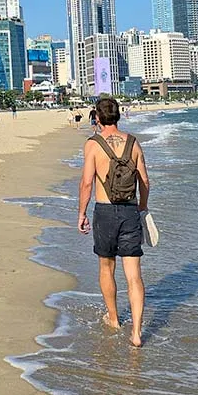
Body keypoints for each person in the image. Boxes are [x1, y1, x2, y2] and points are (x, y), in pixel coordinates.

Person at [77, 97, 151, 347]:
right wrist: (141, 208)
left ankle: (114, 318)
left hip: (105, 213)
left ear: (97, 118)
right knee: (134, 276)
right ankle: (137, 333)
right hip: (130, 212)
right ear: (118, 116)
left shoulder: (93, 145)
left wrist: (82, 213)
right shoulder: (133, 143)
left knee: (106, 268)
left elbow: (87, 182)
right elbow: (145, 182)